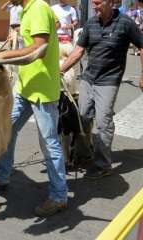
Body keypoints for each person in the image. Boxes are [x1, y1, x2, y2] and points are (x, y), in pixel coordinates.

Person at [0, 0, 68, 217]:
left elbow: (39, 48)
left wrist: (2, 57)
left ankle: (59, 196)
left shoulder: (37, 8)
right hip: (25, 87)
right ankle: (3, 175)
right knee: (8, 128)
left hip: (42, 91)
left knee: (48, 142)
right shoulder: (28, 10)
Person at [60, 0, 143, 179]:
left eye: (98, 3)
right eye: (93, 3)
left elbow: (142, 46)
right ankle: (84, 155)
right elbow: (78, 51)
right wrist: (59, 71)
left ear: (111, 2)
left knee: (103, 122)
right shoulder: (91, 23)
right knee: (82, 117)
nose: (94, 7)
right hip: (88, 79)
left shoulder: (125, 23)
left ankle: (103, 164)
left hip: (109, 81)